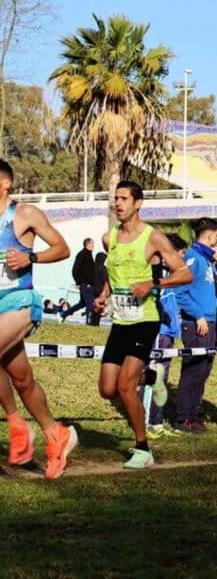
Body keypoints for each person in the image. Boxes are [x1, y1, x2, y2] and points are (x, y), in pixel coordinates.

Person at [93, 181, 192, 469]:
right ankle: (152, 377)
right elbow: (114, 274)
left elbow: (184, 274)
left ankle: (143, 449)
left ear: (138, 203)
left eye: (124, 198)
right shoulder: (108, 238)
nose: (118, 203)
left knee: (125, 386)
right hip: (120, 320)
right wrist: (103, 296)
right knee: (107, 389)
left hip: (146, 320)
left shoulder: (154, 238)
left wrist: (154, 283)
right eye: (116, 198)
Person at [0, 158, 78, 479]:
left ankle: (17, 427)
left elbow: (62, 248)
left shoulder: (24, 214)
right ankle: (56, 433)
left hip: (21, 302)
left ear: (5, 184)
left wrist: (29, 256)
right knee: (21, 379)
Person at [173, 218, 217, 433]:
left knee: (203, 372)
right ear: (210, 236)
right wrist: (198, 316)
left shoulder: (207, 260)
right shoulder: (193, 258)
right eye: (216, 237)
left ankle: (193, 414)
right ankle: (183, 419)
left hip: (210, 322)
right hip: (196, 324)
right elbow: (181, 293)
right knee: (192, 372)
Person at [140, 234, 187, 438]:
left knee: (163, 378)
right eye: (181, 253)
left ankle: (157, 422)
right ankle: (144, 422)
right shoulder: (155, 272)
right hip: (158, 331)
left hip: (169, 332)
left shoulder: (170, 275)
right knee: (153, 376)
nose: (183, 257)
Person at [60, 237, 95, 323]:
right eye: (92, 243)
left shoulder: (89, 255)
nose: (94, 245)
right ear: (88, 244)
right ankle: (89, 323)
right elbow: (75, 269)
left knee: (82, 303)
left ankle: (63, 314)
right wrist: (78, 282)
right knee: (89, 303)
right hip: (84, 283)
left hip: (87, 283)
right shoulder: (82, 254)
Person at [89, 252, 108, 325]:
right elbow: (105, 280)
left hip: (92, 290)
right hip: (100, 290)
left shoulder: (91, 267)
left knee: (92, 307)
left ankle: (91, 322)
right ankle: (96, 323)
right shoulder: (103, 269)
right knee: (99, 308)